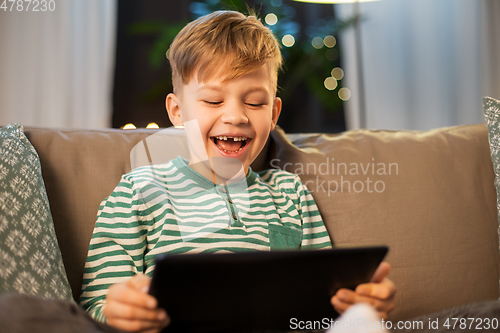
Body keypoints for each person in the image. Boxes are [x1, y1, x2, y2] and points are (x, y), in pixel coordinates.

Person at [79, 10, 396, 333]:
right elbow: (94, 309)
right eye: (214, 101)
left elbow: (326, 303)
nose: (235, 116)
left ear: (273, 114)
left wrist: (360, 305)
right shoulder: (139, 191)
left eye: (255, 103)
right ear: (177, 111)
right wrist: (121, 311)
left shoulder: (291, 194)